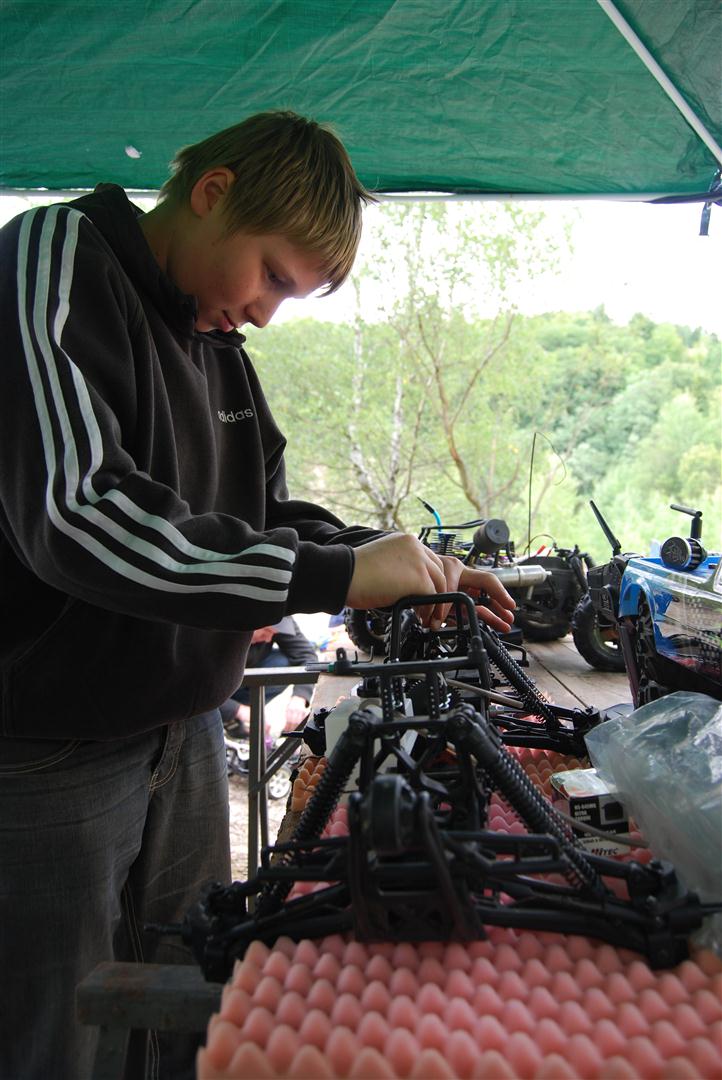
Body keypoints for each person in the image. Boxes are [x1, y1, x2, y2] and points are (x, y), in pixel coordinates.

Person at [0, 110, 515, 1080]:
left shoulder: (215, 336)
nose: (270, 312)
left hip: (186, 736)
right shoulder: (55, 261)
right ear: (211, 193)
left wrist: (396, 566)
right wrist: (332, 575)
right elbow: (76, 516)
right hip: (50, 753)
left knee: (189, 1005)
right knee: (55, 1036)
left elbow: (264, 511)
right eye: (273, 276)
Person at [224, 617, 318, 738]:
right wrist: (237, 710)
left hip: (243, 678)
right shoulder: (218, 633)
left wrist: (300, 696)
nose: (269, 639)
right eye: (266, 631)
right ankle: (227, 712)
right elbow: (194, 686)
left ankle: (237, 718)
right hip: (212, 683)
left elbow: (306, 655)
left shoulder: (277, 615)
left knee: (283, 664)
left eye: (273, 633)